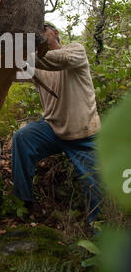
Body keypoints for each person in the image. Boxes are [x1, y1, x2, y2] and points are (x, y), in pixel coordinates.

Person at [12, 23, 102, 225]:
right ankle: (23, 203)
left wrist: (19, 55)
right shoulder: (37, 65)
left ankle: (99, 233)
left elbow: (58, 60)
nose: (39, 35)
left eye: (43, 30)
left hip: (84, 136)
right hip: (52, 130)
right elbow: (11, 74)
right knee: (22, 139)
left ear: (56, 33)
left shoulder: (75, 51)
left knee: (97, 192)